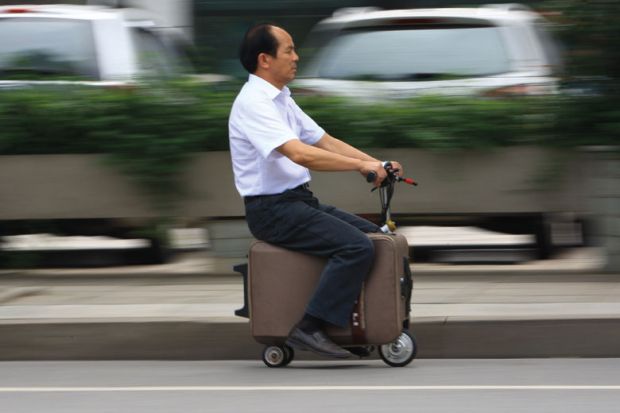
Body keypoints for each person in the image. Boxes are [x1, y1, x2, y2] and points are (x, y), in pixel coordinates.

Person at [228, 23, 404, 359]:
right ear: (265, 59)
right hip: (272, 211)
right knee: (355, 247)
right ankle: (311, 327)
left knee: (376, 240)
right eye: (289, 50)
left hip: (297, 202)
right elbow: (299, 153)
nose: (297, 57)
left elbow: (324, 141)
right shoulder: (253, 102)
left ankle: (354, 327)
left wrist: (377, 163)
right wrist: (360, 167)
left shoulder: (281, 99)